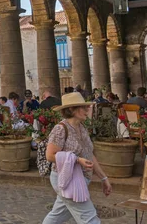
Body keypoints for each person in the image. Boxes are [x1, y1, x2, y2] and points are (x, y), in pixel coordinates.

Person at [43, 92, 112, 223]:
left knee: (57, 215)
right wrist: (77, 160)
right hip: (67, 179)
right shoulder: (61, 129)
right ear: (71, 109)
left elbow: (89, 154)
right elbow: (50, 155)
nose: (87, 110)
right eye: (83, 107)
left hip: (81, 178)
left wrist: (104, 178)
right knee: (90, 218)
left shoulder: (82, 127)